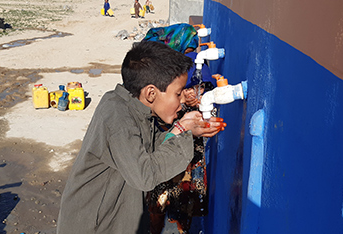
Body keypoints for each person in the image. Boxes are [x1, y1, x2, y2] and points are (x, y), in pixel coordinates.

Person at [56, 41, 223, 234]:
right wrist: (183, 137)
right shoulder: (117, 116)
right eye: (178, 94)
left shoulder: (134, 108)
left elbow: (150, 150)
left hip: (116, 216)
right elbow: (145, 174)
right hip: (93, 225)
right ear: (151, 93)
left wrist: (183, 127)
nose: (182, 101)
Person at [143, 23, 221, 234]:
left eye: (192, 50)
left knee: (184, 199)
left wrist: (199, 98)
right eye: (187, 50)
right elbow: (149, 108)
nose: (190, 55)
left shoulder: (194, 66)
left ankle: (181, 227)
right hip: (164, 139)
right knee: (158, 199)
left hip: (187, 141)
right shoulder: (155, 71)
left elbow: (206, 91)